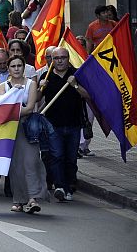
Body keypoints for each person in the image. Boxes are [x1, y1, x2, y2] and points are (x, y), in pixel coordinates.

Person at [37, 47, 91, 202]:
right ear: (51, 60)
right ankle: (60, 186)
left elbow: (88, 96)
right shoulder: (46, 76)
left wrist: (74, 85)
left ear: (68, 59)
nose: (59, 61)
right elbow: (36, 99)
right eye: (56, 58)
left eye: (63, 57)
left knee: (71, 158)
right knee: (57, 156)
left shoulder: (77, 74)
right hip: (53, 126)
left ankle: (69, 186)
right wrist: (41, 86)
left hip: (74, 124)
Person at [0, 56, 48, 214]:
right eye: (13, 66)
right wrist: (11, 111)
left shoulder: (31, 84)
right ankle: (18, 200)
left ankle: (33, 198)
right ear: (8, 68)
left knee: (31, 162)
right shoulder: (2, 86)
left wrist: (11, 111)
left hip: (29, 128)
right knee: (15, 166)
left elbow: (30, 107)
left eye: (20, 65)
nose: (17, 68)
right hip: (9, 129)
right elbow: (1, 109)